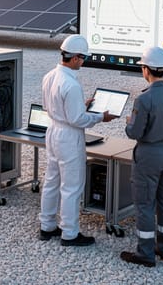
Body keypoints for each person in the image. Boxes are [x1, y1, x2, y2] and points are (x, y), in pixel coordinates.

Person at [39, 34, 117, 246]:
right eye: (83, 58)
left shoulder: (49, 76)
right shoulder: (72, 84)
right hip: (69, 137)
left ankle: (47, 226)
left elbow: (49, 106)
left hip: (53, 131)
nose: (84, 62)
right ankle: (70, 233)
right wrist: (100, 117)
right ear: (75, 58)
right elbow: (77, 119)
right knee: (71, 187)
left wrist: (80, 105)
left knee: (51, 180)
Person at [121, 46, 163, 267]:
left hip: (149, 154)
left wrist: (129, 123)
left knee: (145, 204)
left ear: (146, 70)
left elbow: (134, 133)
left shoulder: (144, 99)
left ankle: (145, 253)